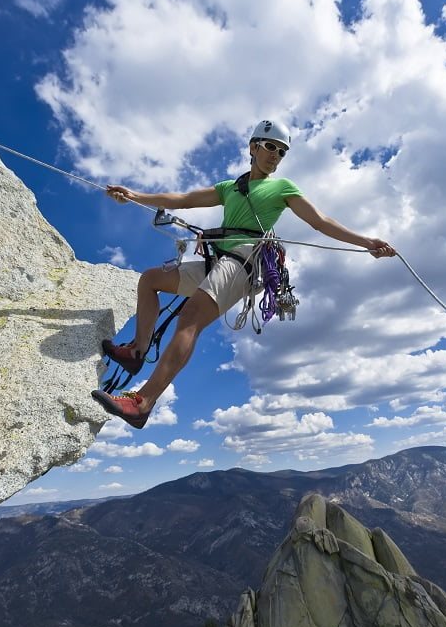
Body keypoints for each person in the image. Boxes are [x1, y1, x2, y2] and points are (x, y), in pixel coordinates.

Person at [90, 119, 396, 428]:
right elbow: (184, 199)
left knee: (191, 317)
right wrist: (134, 196)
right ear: (253, 147)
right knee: (151, 279)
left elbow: (319, 220)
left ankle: (143, 402)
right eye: (270, 147)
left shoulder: (283, 188)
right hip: (219, 261)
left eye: (282, 151)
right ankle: (137, 351)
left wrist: (366, 242)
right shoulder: (231, 187)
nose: (275, 155)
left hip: (244, 261)